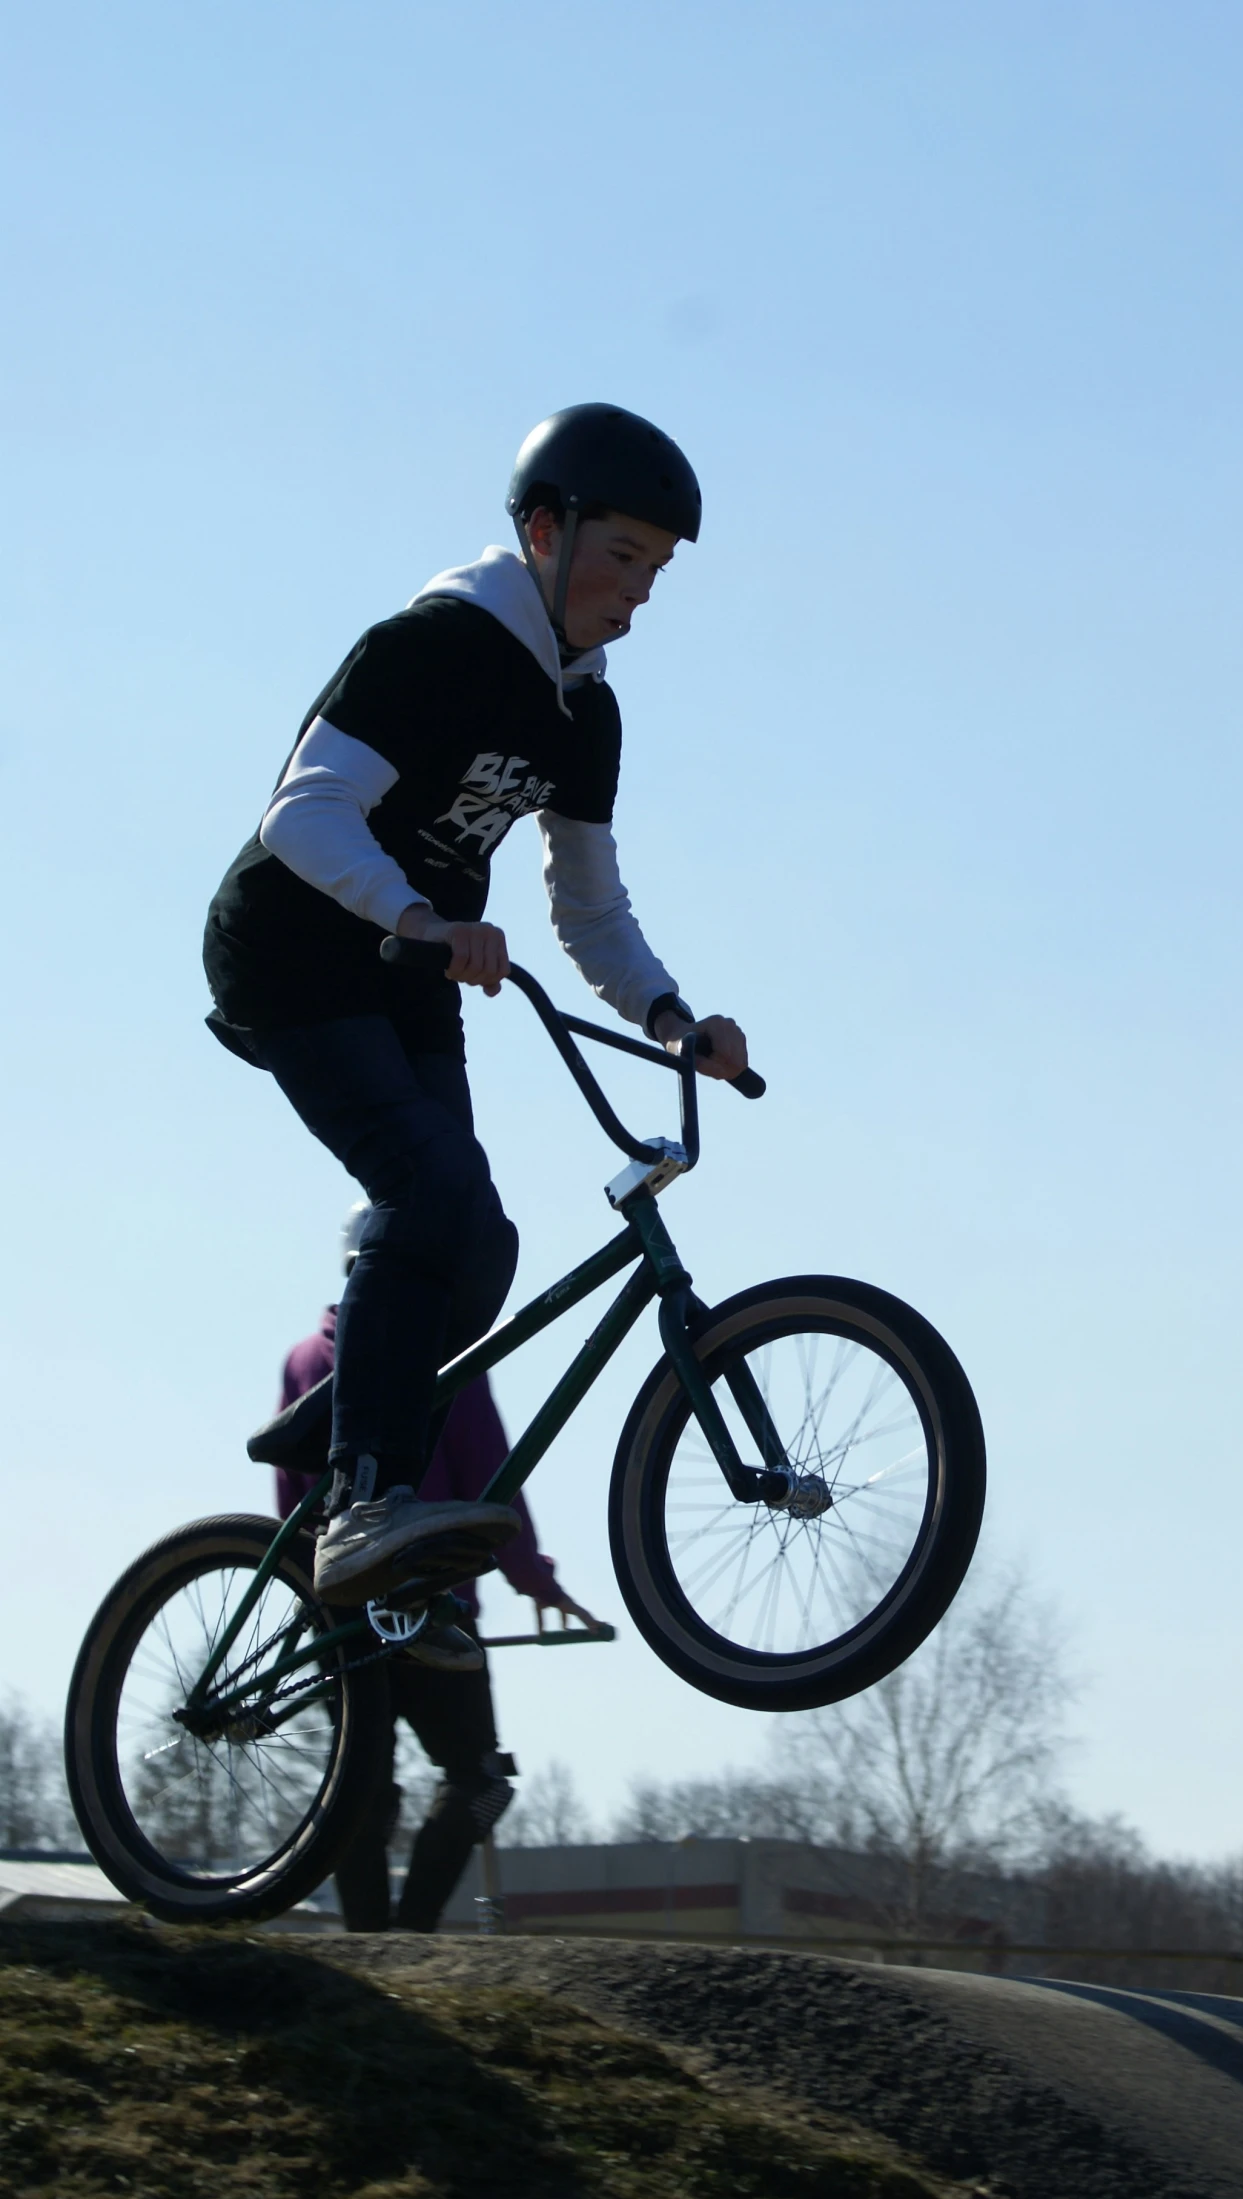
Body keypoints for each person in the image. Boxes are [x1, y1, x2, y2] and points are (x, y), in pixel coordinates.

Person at [205, 404, 749, 1608]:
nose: (641, 592)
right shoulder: (433, 645)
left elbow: (589, 909)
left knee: (481, 1243)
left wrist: (671, 1018)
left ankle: (348, 1419)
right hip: (295, 954)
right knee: (431, 1192)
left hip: (408, 972)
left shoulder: (585, 710)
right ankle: (359, 1499)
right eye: (622, 557)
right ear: (545, 531)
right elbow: (300, 813)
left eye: (659, 570)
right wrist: (417, 916)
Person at [274, 1202, 601, 1929]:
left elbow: (291, 1501)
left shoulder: (304, 1359)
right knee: (479, 1781)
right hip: (431, 1604)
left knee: (359, 1782)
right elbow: (491, 1475)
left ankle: (367, 1938)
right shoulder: (444, 1356)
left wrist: (311, 1605)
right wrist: (536, 1580)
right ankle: (413, 1935)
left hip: (339, 1605)